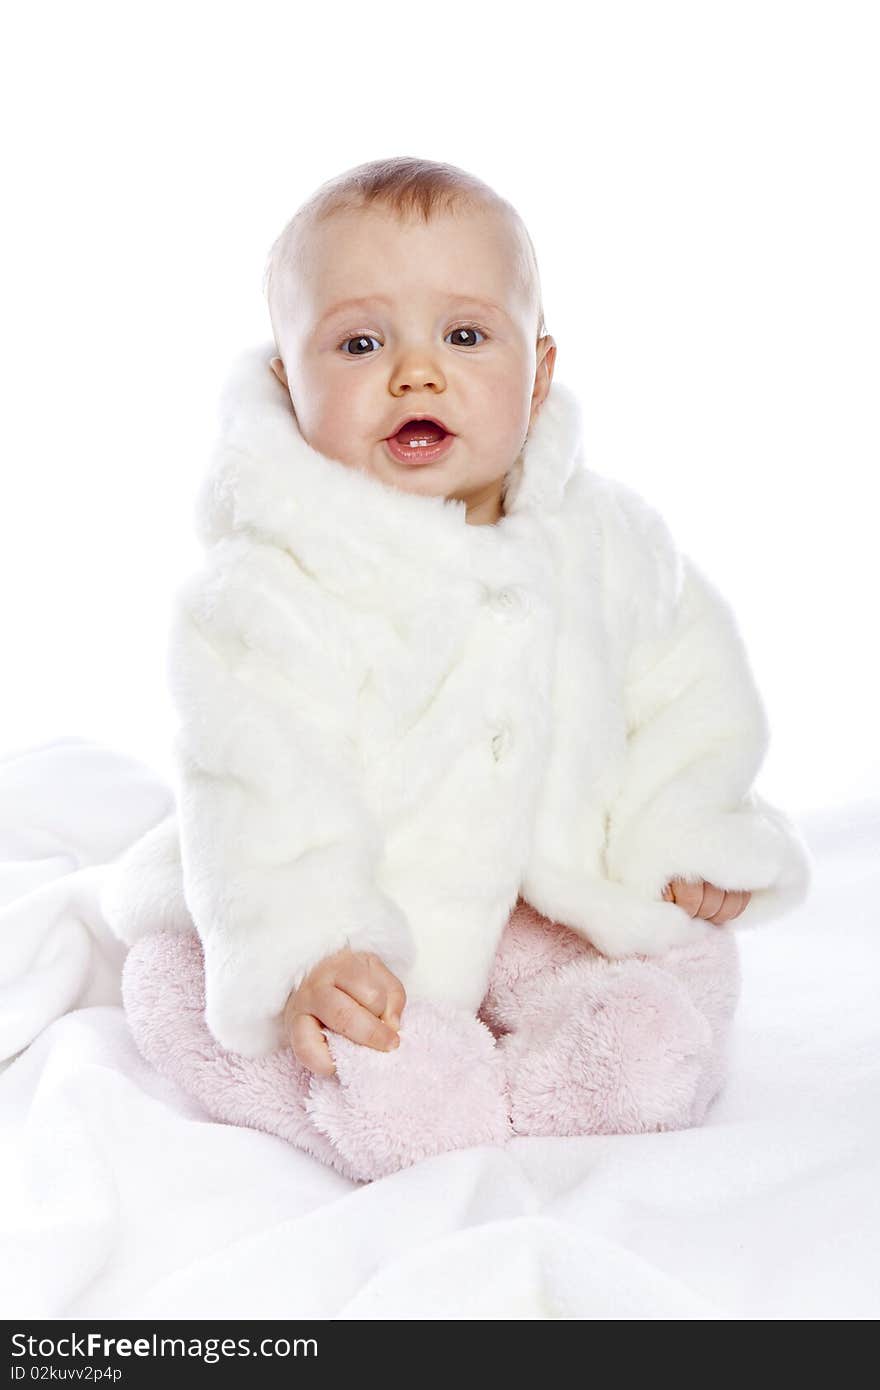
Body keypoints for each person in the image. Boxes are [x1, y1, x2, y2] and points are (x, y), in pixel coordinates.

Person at [102, 156, 811, 1182]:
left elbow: (688, 689)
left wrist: (682, 823)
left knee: (670, 992)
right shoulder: (268, 588)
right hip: (358, 912)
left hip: (537, 890)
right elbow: (259, 783)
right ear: (282, 379)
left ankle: (564, 1083)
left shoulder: (606, 536)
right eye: (358, 342)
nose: (416, 372)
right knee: (190, 990)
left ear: (538, 370)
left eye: (465, 335)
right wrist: (311, 954)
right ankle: (371, 1087)